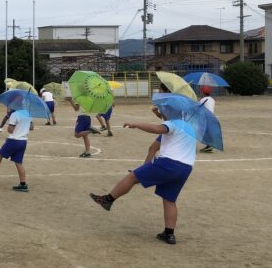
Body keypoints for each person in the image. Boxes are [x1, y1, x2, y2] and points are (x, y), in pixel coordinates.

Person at [89, 117, 199, 245]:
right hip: (185, 168)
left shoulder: (174, 123)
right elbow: (158, 145)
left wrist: (136, 123)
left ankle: (107, 200)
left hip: (169, 163)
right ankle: (169, 234)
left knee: (132, 176)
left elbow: (156, 129)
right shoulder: (190, 128)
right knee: (169, 199)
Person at [0, 108, 33, 191]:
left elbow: (10, 130)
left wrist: (11, 123)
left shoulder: (14, 114)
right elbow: (31, 127)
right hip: (23, 141)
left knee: (0, 154)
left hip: (14, 140)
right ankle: (23, 184)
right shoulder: (27, 113)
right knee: (18, 162)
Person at [199, 86, 216, 153]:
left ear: (203, 92)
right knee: (207, 131)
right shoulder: (212, 99)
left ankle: (210, 145)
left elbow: (198, 107)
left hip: (205, 117)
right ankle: (209, 145)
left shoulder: (203, 100)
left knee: (204, 131)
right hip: (212, 116)